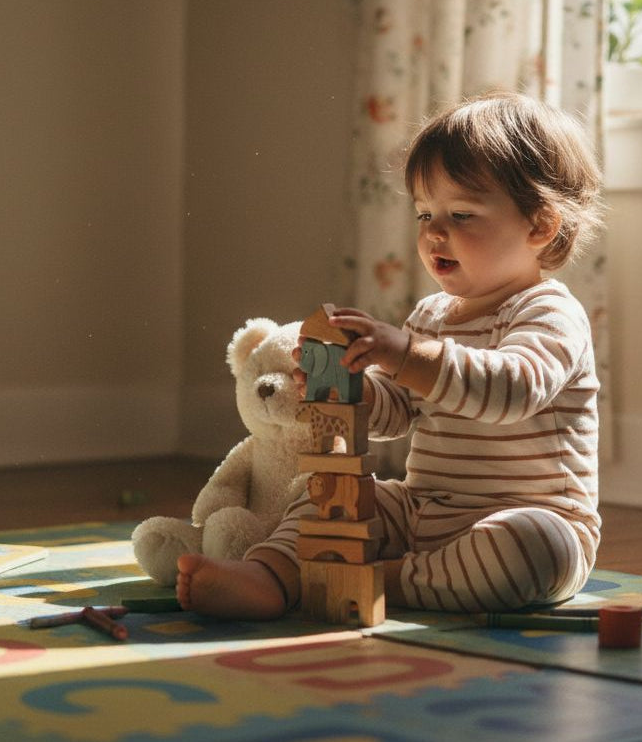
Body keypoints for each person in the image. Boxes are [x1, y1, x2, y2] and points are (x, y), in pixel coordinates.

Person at [177, 91, 604, 619]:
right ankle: (270, 574)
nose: (434, 232)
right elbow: (397, 412)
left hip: (528, 519)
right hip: (422, 509)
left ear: (539, 226)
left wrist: (406, 353)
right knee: (325, 493)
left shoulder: (550, 312)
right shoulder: (431, 315)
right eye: (424, 213)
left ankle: (380, 581)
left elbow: (510, 391)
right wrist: (347, 388)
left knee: (534, 547)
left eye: (462, 214)